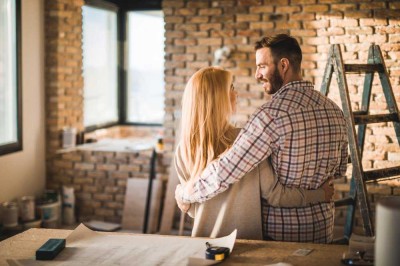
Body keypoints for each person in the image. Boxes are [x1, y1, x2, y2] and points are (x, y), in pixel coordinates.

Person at [175, 34, 348, 243]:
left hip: (281, 236)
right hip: (322, 229)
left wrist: (184, 194)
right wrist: (319, 193)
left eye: (262, 66)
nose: (257, 75)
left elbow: (224, 172)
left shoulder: (270, 117)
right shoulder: (335, 111)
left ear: (283, 65)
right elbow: (339, 170)